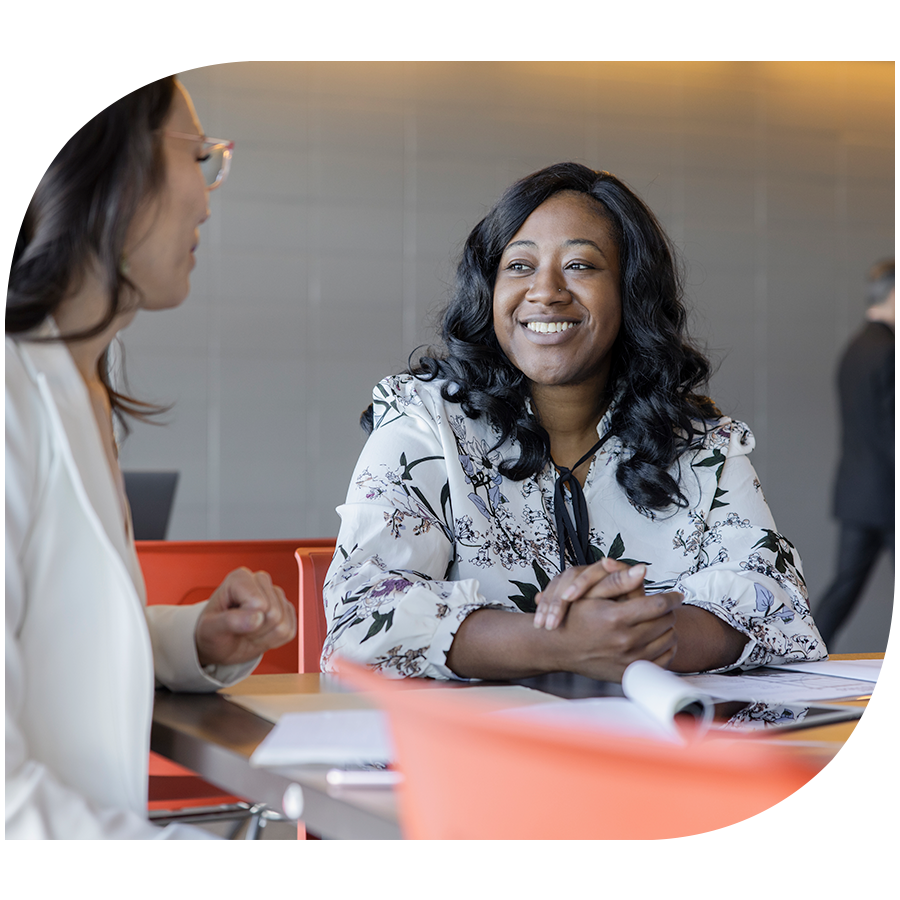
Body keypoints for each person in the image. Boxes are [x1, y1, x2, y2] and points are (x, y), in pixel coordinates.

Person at [321, 162, 825, 682]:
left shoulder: (700, 444)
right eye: (519, 266)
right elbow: (359, 619)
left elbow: (779, 602)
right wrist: (556, 642)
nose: (545, 291)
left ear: (630, 291)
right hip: (468, 754)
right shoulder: (427, 420)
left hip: (651, 753)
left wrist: (644, 635)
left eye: (581, 265)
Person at [6, 62, 297, 839]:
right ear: (103, 162)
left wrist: (188, 638)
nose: (208, 193)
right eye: (195, 154)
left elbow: (45, 631)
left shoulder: (73, 383)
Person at [814, 260, 894, 646]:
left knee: (844, 587)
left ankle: (802, 657)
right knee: (845, 587)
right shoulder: (890, 351)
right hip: (888, 493)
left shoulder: (856, 348)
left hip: (858, 492)